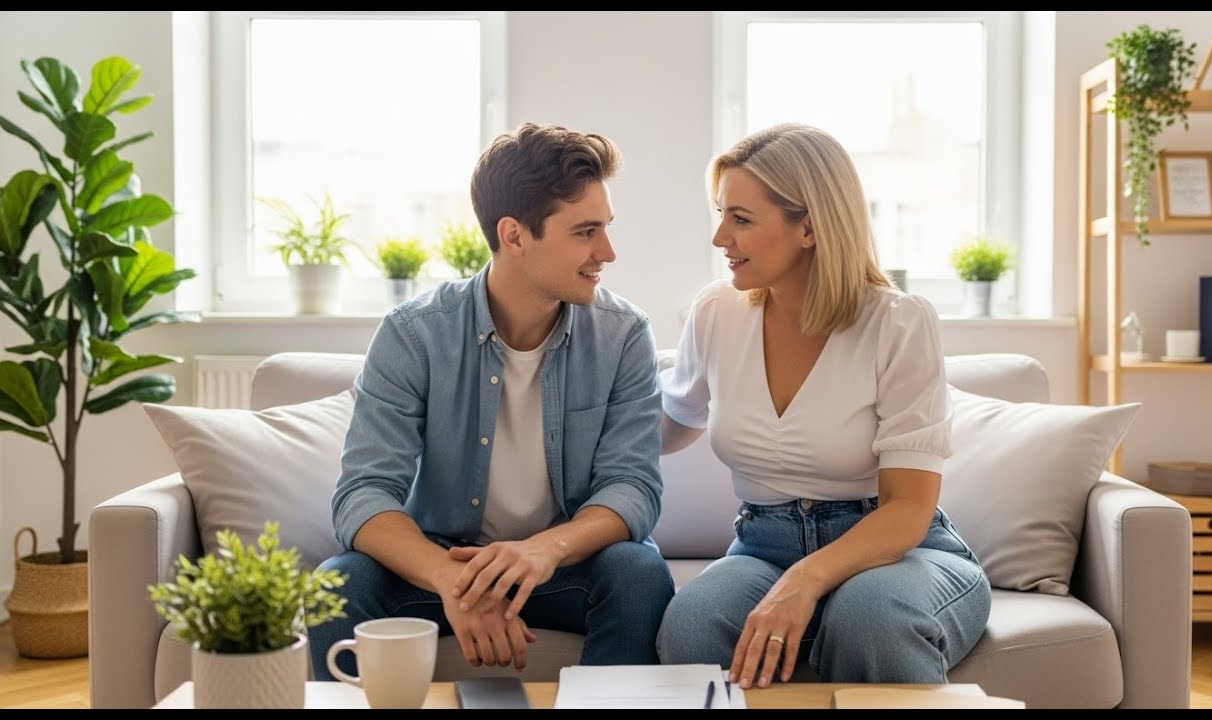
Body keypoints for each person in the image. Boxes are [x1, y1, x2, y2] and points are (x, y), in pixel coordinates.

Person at [311, 122, 674, 680]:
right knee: (337, 586)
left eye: (605, 228)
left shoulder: (622, 334)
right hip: (443, 564)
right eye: (585, 232)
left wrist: (545, 550)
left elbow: (633, 487)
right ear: (514, 235)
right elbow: (363, 496)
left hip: (560, 570)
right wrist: (454, 580)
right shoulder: (414, 334)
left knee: (638, 573)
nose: (608, 252)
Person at [655, 123, 991, 689]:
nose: (719, 239)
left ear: (808, 227)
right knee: (691, 625)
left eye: (740, 219)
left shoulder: (898, 322)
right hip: (763, 544)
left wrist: (805, 580)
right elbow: (670, 423)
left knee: (870, 617)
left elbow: (908, 506)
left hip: (893, 552)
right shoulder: (716, 312)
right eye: (721, 215)